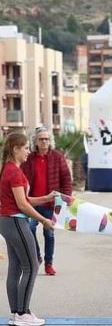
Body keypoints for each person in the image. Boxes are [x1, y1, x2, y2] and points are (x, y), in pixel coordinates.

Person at [0, 132, 57, 326]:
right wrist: (44, 220)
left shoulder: (9, 169)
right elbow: (22, 206)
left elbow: (24, 200)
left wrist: (46, 198)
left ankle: (17, 313)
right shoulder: (14, 172)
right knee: (31, 266)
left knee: (16, 268)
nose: (28, 151)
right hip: (15, 221)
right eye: (25, 148)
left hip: (8, 221)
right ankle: (23, 314)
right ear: (15, 149)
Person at [21, 126, 72, 276]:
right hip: (32, 203)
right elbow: (20, 177)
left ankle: (49, 264)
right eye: (41, 139)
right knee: (29, 230)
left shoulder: (57, 157)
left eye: (47, 139)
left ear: (50, 141)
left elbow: (66, 179)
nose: (44, 142)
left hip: (51, 204)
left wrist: (66, 199)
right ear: (35, 141)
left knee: (49, 234)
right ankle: (37, 256)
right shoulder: (29, 158)